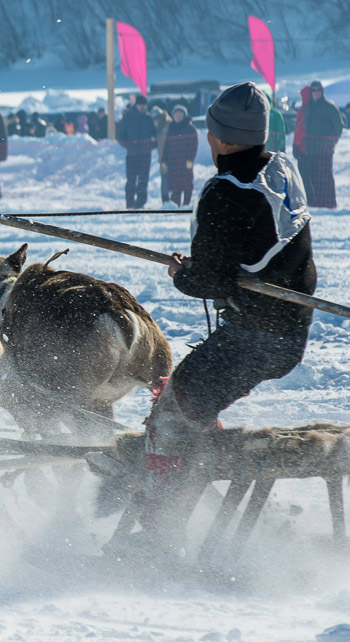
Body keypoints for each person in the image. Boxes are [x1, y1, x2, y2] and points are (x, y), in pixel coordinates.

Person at [137, 82, 315, 556]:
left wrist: (184, 275)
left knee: (170, 415)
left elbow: (210, 282)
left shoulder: (223, 192)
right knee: (195, 402)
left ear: (217, 137)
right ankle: (198, 484)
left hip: (254, 337)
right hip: (291, 331)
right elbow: (249, 250)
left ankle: (159, 540)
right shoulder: (281, 168)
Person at [299, 80, 343, 208]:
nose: (316, 93)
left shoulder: (329, 106)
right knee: (313, 175)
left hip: (325, 146)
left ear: (322, 92)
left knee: (325, 175)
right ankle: (317, 202)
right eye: (314, 90)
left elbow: (338, 126)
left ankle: (329, 203)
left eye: (319, 90)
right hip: (311, 146)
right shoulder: (308, 107)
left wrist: (333, 141)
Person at [116, 94, 156, 209]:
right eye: (140, 105)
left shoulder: (148, 118)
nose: (142, 107)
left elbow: (155, 134)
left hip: (145, 154)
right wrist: (128, 145)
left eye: (144, 105)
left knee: (144, 180)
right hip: (132, 154)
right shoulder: (128, 117)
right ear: (136, 105)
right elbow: (120, 134)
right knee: (131, 180)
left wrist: (152, 145)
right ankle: (130, 204)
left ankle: (140, 204)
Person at [162, 105, 199, 206]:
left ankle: (186, 204)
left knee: (187, 184)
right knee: (174, 185)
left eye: (180, 114)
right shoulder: (170, 128)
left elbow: (194, 145)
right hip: (173, 161)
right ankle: (175, 204)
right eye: (176, 114)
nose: (178, 116)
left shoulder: (190, 128)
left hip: (185, 161)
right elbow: (166, 146)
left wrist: (190, 160)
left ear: (184, 115)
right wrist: (164, 161)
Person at [152, 106, 172, 204]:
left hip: (171, 156)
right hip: (162, 157)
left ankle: (173, 198)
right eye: (154, 119)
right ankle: (165, 199)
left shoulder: (169, 125)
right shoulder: (157, 128)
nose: (156, 120)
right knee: (164, 178)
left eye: (158, 117)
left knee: (172, 177)